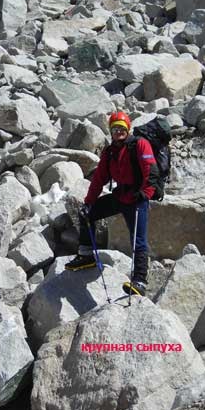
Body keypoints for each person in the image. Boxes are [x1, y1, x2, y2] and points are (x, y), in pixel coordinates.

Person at [65, 111, 158, 296]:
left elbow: (151, 171)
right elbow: (99, 179)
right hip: (121, 196)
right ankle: (86, 255)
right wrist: (88, 202)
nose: (118, 132)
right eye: (114, 129)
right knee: (88, 214)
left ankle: (140, 281)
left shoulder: (140, 144)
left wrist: (145, 194)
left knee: (138, 240)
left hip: (137, 199)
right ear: (110, 131)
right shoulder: (110, 152)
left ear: (127, 129)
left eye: (121, 128)